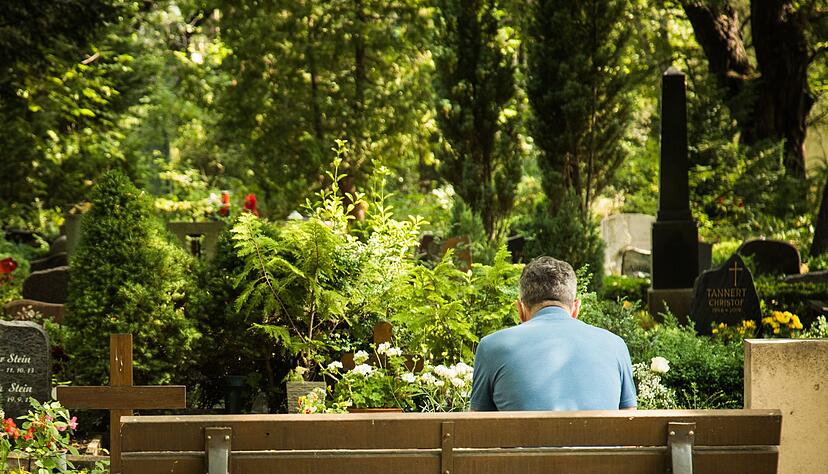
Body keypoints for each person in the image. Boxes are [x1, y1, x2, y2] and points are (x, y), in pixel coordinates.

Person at [470, 256, 636, 411]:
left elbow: (478, 425)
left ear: (520, 310)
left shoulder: (492, 347)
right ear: (576, 308)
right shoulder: (616, 345)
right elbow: (630, 419)